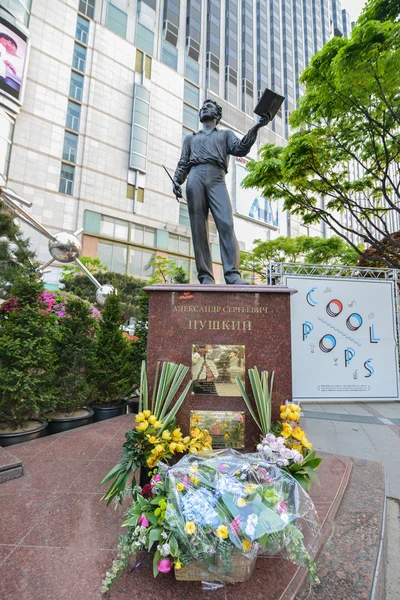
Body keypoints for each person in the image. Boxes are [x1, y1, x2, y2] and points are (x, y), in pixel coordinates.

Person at [173, 99, 271, 284]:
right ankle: (206, 277)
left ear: (217, 115)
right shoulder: (191, 138)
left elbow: (241, 148)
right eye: (202, 107)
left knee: (226, 223)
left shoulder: (225, 135)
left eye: (209, 107)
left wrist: (257, 126)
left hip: (217, 177)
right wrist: (177, 180)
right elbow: (183, 163)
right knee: (198, 228)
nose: (204, 109)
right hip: (194, 177)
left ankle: (233, 275)